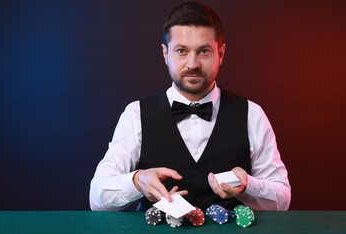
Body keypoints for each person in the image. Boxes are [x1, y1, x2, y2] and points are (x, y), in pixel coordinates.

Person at [89, 2, 291, 212]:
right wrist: (137, 181)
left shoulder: (252, 114)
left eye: (204, 51)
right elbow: (97, 198)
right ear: (166, 54)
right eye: (182, 51)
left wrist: (249, 184)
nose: (192, 64)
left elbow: (283, 200)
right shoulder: (135, 114)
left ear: (221, 53)